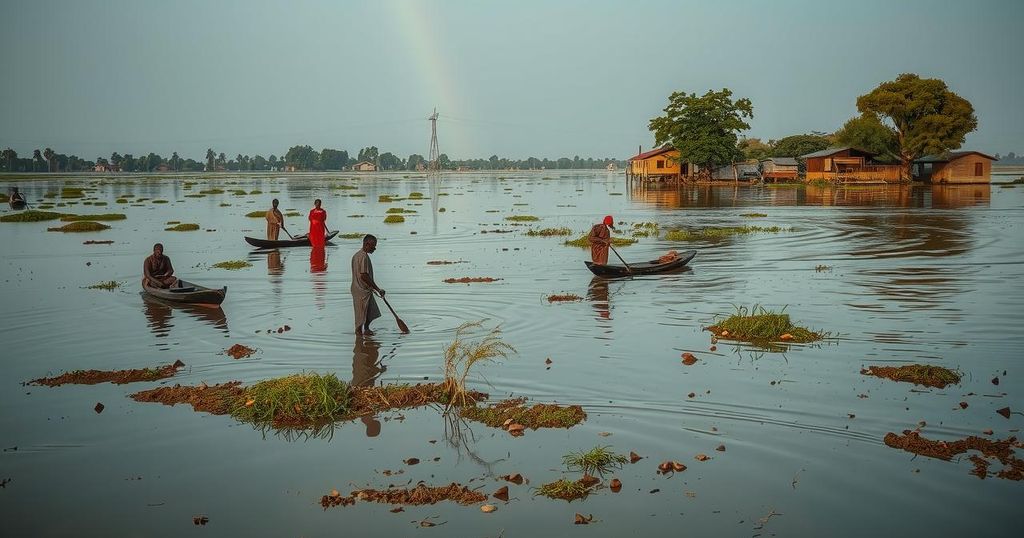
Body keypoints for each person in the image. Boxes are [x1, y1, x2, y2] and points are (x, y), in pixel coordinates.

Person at [351, 234, 383, 335]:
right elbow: (363, 275)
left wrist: (372, 288)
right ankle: (359, 337)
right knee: (360, 316)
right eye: (373, 246)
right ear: (367, 244)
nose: (375, 248)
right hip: (360, 291)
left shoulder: (357, 255)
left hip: (365, 289)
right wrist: (377, 289)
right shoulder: (363, 256)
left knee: (371, 311)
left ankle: (367, 329)